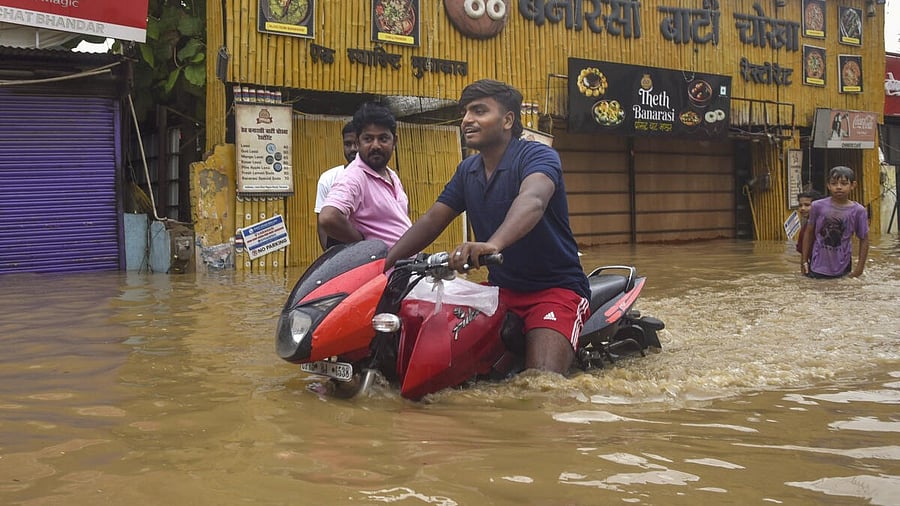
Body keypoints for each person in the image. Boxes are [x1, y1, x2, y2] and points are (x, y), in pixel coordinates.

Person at [384, 79, 590, 375]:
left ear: (507, 120)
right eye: (466, 112)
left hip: (555, 291)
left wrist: (493, 244)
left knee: (542, 386)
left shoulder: (537, 156)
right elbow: (432, 220)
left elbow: (532, 200)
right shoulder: (468, 170)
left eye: (479, 111)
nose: (467, 120)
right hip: (499, 290)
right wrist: (384, 265)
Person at [319, 102, 412, 248]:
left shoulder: (391, 175)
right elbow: (328, 217)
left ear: (395, 141)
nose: (376, 145)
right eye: (368, 139)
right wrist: (362, 245)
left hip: (404, 267)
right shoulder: (355, 177)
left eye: (383, 138)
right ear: (358, 142)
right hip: (381, 270)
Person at [801, 166, 869, 278]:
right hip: (816, 264)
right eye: (834, 183)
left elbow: (864, 239)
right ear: (828, 185)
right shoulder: (817, 206)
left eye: (843, 183)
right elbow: (808, 232)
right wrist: (803, 261)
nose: (838, 187)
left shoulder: (858, 211)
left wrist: (859, 269)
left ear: (853, 185)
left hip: (843, 265)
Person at [314, 121, 358, 250]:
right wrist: (328, 255)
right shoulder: (328, 178)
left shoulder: (381, 178)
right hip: (340, 252)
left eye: (356, 143)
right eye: (348, 144)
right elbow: (322, 224)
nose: (353, 149)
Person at [795, 189, 823, 253]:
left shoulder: (825, 226)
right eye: (800, 205)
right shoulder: (804, 229)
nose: (802, 208)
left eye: (807, 205)